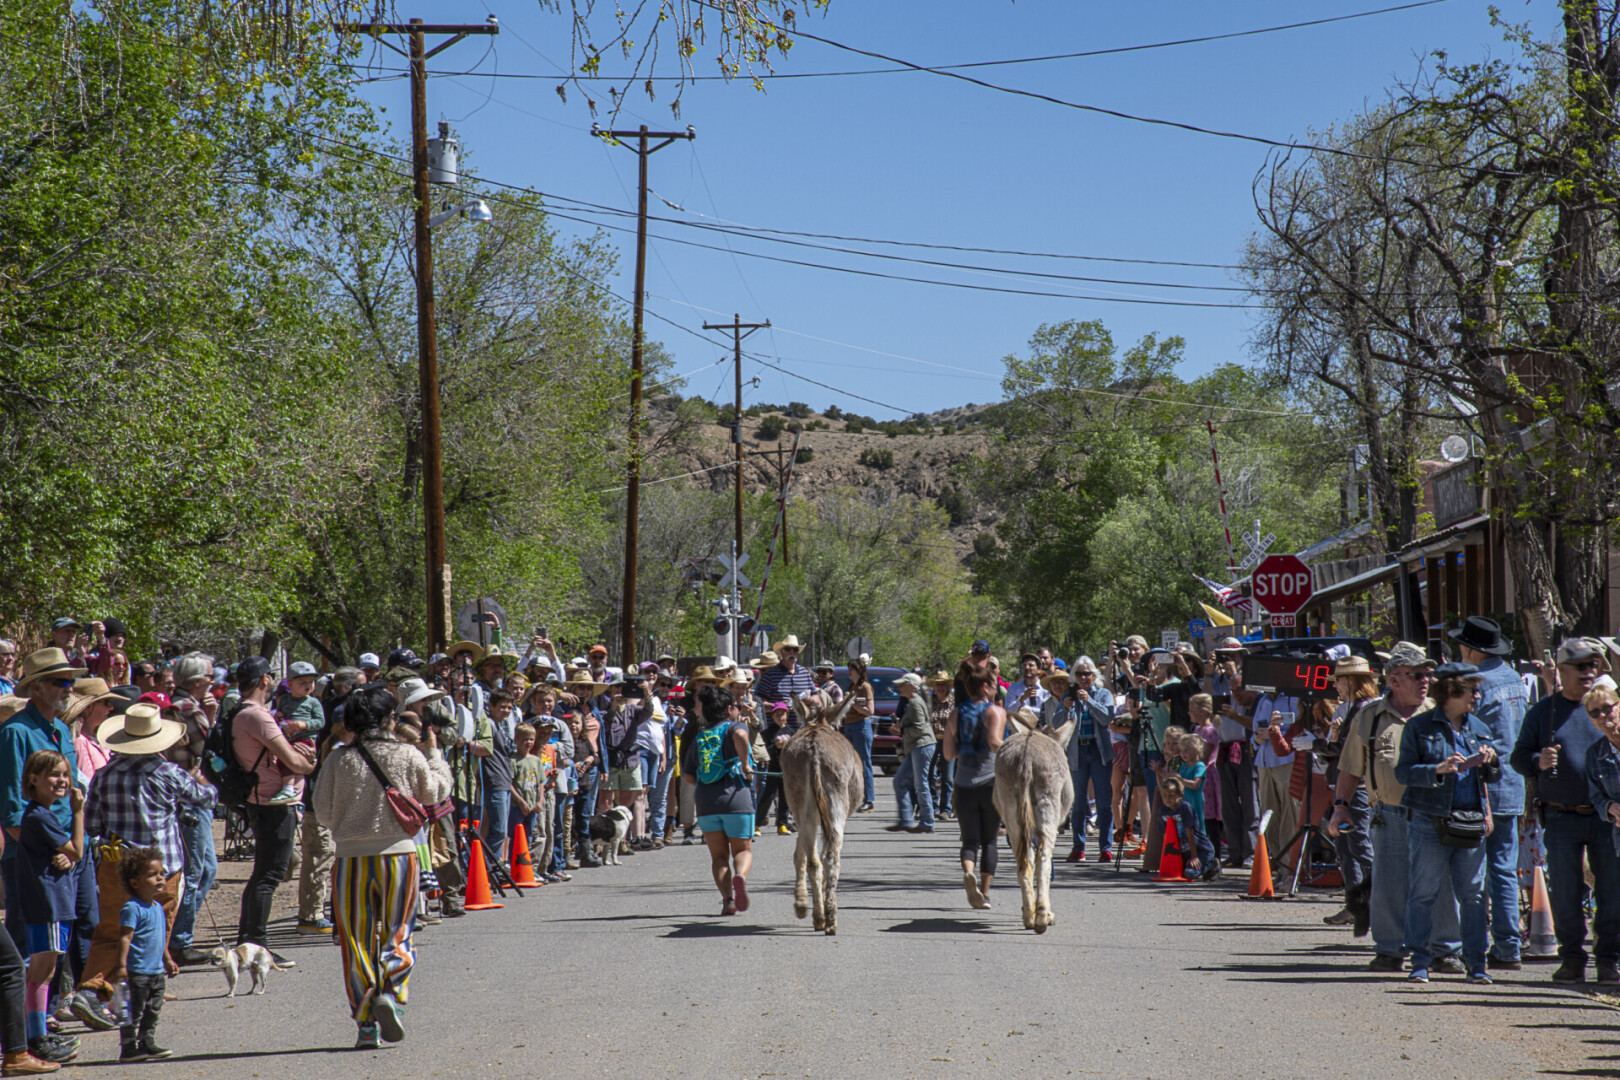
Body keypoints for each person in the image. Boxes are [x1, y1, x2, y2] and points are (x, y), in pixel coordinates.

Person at [312, 684, 450, 1047]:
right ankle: (391, 990)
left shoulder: (337, 760)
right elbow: (434, 792)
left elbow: (323, 814)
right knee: (398, 931)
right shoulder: (407, 754)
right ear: (390, 719)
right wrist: (435, 757)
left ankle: (365, 1024)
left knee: (355, 941)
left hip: (349, 861)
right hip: (399, 857)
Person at [0, 649, 111, 1034]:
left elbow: (72, 794)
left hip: (71, 846)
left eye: (70, 681)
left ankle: (66, 1003)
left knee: (84, 923)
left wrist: (72, 847)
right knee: (27, 941)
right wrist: (47, 854)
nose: (68, 688)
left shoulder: (62, 731)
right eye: (59, 682)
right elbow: (13, 808)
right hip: (35, 854)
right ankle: (22, 1027)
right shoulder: (15, 732)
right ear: (36, 687)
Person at [1333, 641, 1459, 973]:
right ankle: (1389, 949)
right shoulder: (1370, 717)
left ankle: (1444, 950)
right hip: (1387, 815)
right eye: (1417, 674)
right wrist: (1341, 807)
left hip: (1434, 815)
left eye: (1427, 674)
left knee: (1440, 883)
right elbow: (1349, 767)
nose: (1425, 681)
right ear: (1394, 679)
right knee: (1388, 885)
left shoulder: (1440, 713)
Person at [1512, 636, 1617, 984]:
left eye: (1593, 666)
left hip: (1605, 818)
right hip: (1560, 815)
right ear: (1562, 670)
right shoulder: (1544, 712)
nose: (1589, 672)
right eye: (1581, 666)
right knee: (1567, 892)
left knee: (1612, 889)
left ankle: (1609, 959)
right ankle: (1572, 958)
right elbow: (1518, 757)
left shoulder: (1607, 708)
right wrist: (1536, 760)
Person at [1394, 662, 1498, 984]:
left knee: (1475, 895)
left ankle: (1477, 964)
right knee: (1423, 892)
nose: (1478, 696)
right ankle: (1419, 963)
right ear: (1452, 690)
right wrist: (1436, 769)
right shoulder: (1419, 726)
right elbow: (1403, 772)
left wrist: (1491, 762)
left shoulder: (1479, 728)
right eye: (1472, 690)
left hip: (1470, 821)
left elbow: (1492, 777)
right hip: (1429, 820)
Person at [1448, 616, 1529, 969]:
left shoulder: (1475, 684)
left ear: (1472, 650)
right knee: (1504, 868)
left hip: (1479, 786)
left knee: (1474, 871)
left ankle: (1476, 944)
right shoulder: (1513, 678)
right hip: (1512, 781)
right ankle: (1509, 945)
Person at [231, 657, 315, 964]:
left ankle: (248, 942)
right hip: (275, 802)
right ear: (265, 680)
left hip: (258, 798)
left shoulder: (238, 712)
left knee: (261, 874)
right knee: (269, 875)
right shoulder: (258, 716)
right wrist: (308, 765)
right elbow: (292, 759)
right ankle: (259, 944)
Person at [16, 752, 83, 1063]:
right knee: (42, 972)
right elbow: (78, 850)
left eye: (65, 775)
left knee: (43, 971)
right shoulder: (41, 816)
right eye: (55, 775)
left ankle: (37, 1030)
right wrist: (79, 812)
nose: (63, 781)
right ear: (34, 779)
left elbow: (64, 855)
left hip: (48, 901)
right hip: (49, 903)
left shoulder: (40, 815)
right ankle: (35, 1036)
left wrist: (65, 856)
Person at [681, 683, 756, 916]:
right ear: (727, 710)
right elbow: (742, 733)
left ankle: (728, 901)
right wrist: (745, 764)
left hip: (706, 802)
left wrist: (707, 786)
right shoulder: (733, 727)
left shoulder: (700, 738)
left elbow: (687, 775)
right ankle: (740, 876)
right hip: (737, 800)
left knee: (719, 856)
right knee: (742, 850)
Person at [1321, 655, 1379, 935]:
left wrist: (1320, 744)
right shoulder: (1353, 708)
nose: (1335, 687)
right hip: (1346, 788)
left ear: (1352, 681)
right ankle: (1356, 906)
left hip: (1356, 790)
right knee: (1345, 849)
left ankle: (1375, 905)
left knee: (1360, 847)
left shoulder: (1364, 709)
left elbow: (1350, 751)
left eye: (1339, 680)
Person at [943, 662, 1005, 910]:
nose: (995, 689)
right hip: (990, 783)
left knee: (969, 841)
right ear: (984, 686)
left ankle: (969, 873)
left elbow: (948, 753)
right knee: (990, 840)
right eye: (993, 685)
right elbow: (994, 742)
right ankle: (985, 892)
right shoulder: (995, 712)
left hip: (963, 784)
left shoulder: (955, 714)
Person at [114, 847, 172, 1062]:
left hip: (156, 971)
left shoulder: (157, 907)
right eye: (152, 875)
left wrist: (167, 959)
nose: (160, 878)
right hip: (137, 971)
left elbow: (159, 939)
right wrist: (121, 966)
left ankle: (147, 1041)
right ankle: (128, 1048)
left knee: (153, 1010)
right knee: (132, 1011)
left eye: (162, 874)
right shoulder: (132, 908)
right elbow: (125, 938)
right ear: (135, 882)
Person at [887, 673, 936, 834]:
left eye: (902, 685)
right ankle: (906, 820)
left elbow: (920, 729)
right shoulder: (913, 702)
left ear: (911, 686)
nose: (899, 687)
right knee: (900, 781)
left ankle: (927, 822)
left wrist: (901, 729)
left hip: (922, 746)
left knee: (921, 784)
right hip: (917, 746)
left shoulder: (915, 703)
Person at [1159, 775, 1216, 880]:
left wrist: (1194, 856)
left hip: (1200, 849)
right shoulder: (1163, 811)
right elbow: (1165, 836)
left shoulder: (1185, 808)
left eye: (1171, 796)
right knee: (1171, 872)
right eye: (1165, 795)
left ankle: (1212, 865)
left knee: (1189, 874)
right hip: (1183, 852)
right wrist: (1168, 859)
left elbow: (1190, 832)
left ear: (1180, 795)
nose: (1167, 799)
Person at [842, 654, 877, 813]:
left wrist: (853, 704)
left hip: (861, 727)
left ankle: (869, 800)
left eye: (852, 670)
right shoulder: (851, 687)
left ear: (859, 671)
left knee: (864, 763)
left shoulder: (865, 687)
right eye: (849, 670)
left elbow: (870, 710)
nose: (849, 673)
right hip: (849, 726)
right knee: (852, 764)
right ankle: (856, 798)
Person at [754, 636, 816, 719]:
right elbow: (758, 704)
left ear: (798, 652)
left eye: (795, 650)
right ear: (781, 652)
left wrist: (810, 700)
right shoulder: (770, 675)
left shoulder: (805, 673)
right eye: (788, 649)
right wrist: (778, 706)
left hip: (802, 728)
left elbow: (817, 697)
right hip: (777, 728)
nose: (792, 652)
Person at [926, 671, 955, 820]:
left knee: (948, 777)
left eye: (943, 684)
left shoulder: (953, 701)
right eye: (938, 684)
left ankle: (946, 809)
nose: (940, 687)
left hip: (949, 741)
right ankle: (933, 807)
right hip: (931, 740)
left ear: (948, 686)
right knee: (930, 774)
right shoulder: (929, 701)